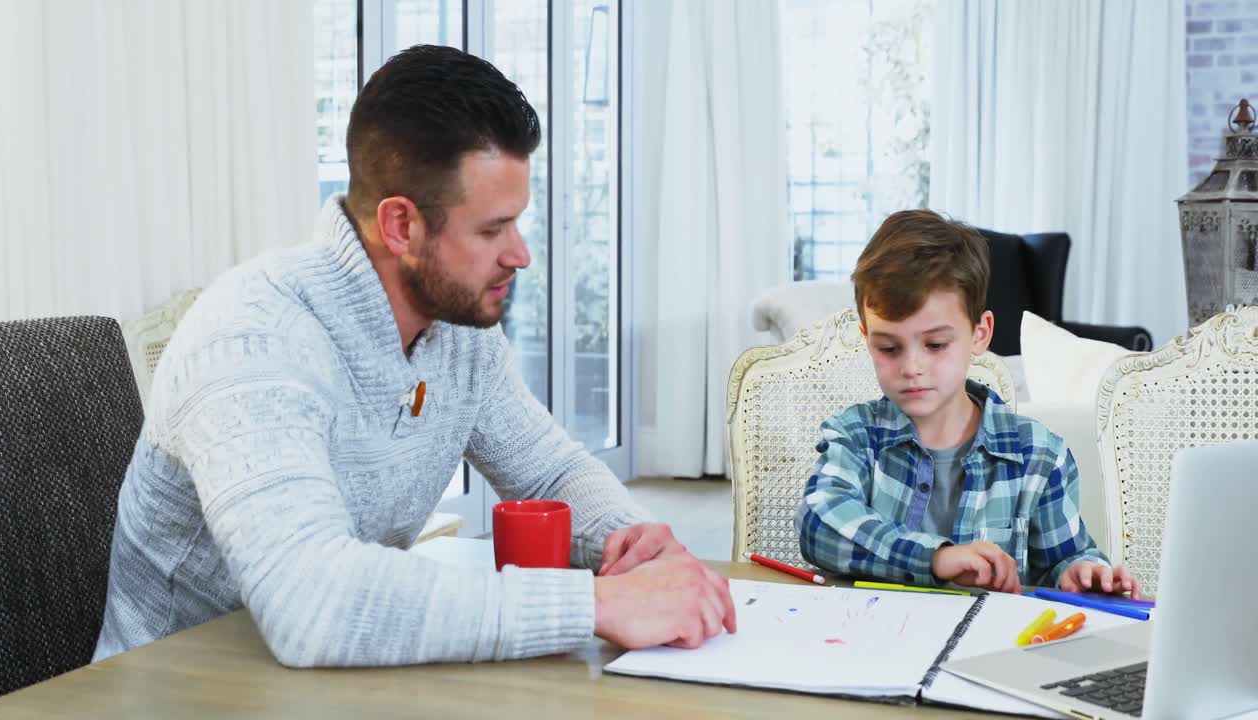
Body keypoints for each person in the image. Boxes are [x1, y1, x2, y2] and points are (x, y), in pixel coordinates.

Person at [94, 45, 734, 667]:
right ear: (401, 226)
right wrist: (593, 602)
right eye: (490, 230)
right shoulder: (251, 338)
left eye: (517, 223)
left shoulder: (459, 332)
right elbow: (310, 600)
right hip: (182, 690)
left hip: (331, 689)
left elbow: (548, 475)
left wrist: (635, 544)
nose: (520, 254)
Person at [795, 210, 1140, 597]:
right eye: (888, 348)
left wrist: (1080, 572)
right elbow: (819, 521)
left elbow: (1064, 559)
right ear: (867, 338)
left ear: (980, 334)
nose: (912, 367)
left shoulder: (1040, 455)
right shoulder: (855, 435)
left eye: (936, 345)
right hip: (878, 645)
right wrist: (936, 559)